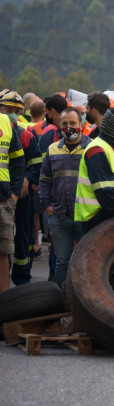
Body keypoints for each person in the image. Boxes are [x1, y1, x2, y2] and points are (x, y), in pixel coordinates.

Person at [39, 108, 89, 287]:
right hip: (59, 215)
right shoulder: (52, 149)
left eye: (73, 124)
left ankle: (85, 300)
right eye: (65, 124)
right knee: (62, 262)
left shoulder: (91, 148)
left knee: (86, 262)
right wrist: (47, 206)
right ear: (60, 125)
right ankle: (63, 301)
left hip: (84, 216)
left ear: (81, 125)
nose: (68, 127)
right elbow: (44, 180)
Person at [1, 92, 42, 285]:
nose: (13, 115)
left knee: (23, 237)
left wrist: (27, 178)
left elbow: (37, 166)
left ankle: (22, 278)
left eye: (17, 112)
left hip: (22, 196)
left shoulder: (26, 135)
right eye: (9, 111)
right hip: (5, 193)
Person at [74, 108, 114, 233]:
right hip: (97, 222)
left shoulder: (112, 149)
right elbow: (104, 192)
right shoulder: (97, 149)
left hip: (109, 220)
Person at [0, 113, 26, 292]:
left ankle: (4, 304)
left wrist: (14, 194)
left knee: (3, 252)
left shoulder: (5, 121)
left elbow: (18, 159)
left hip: (3, 199)